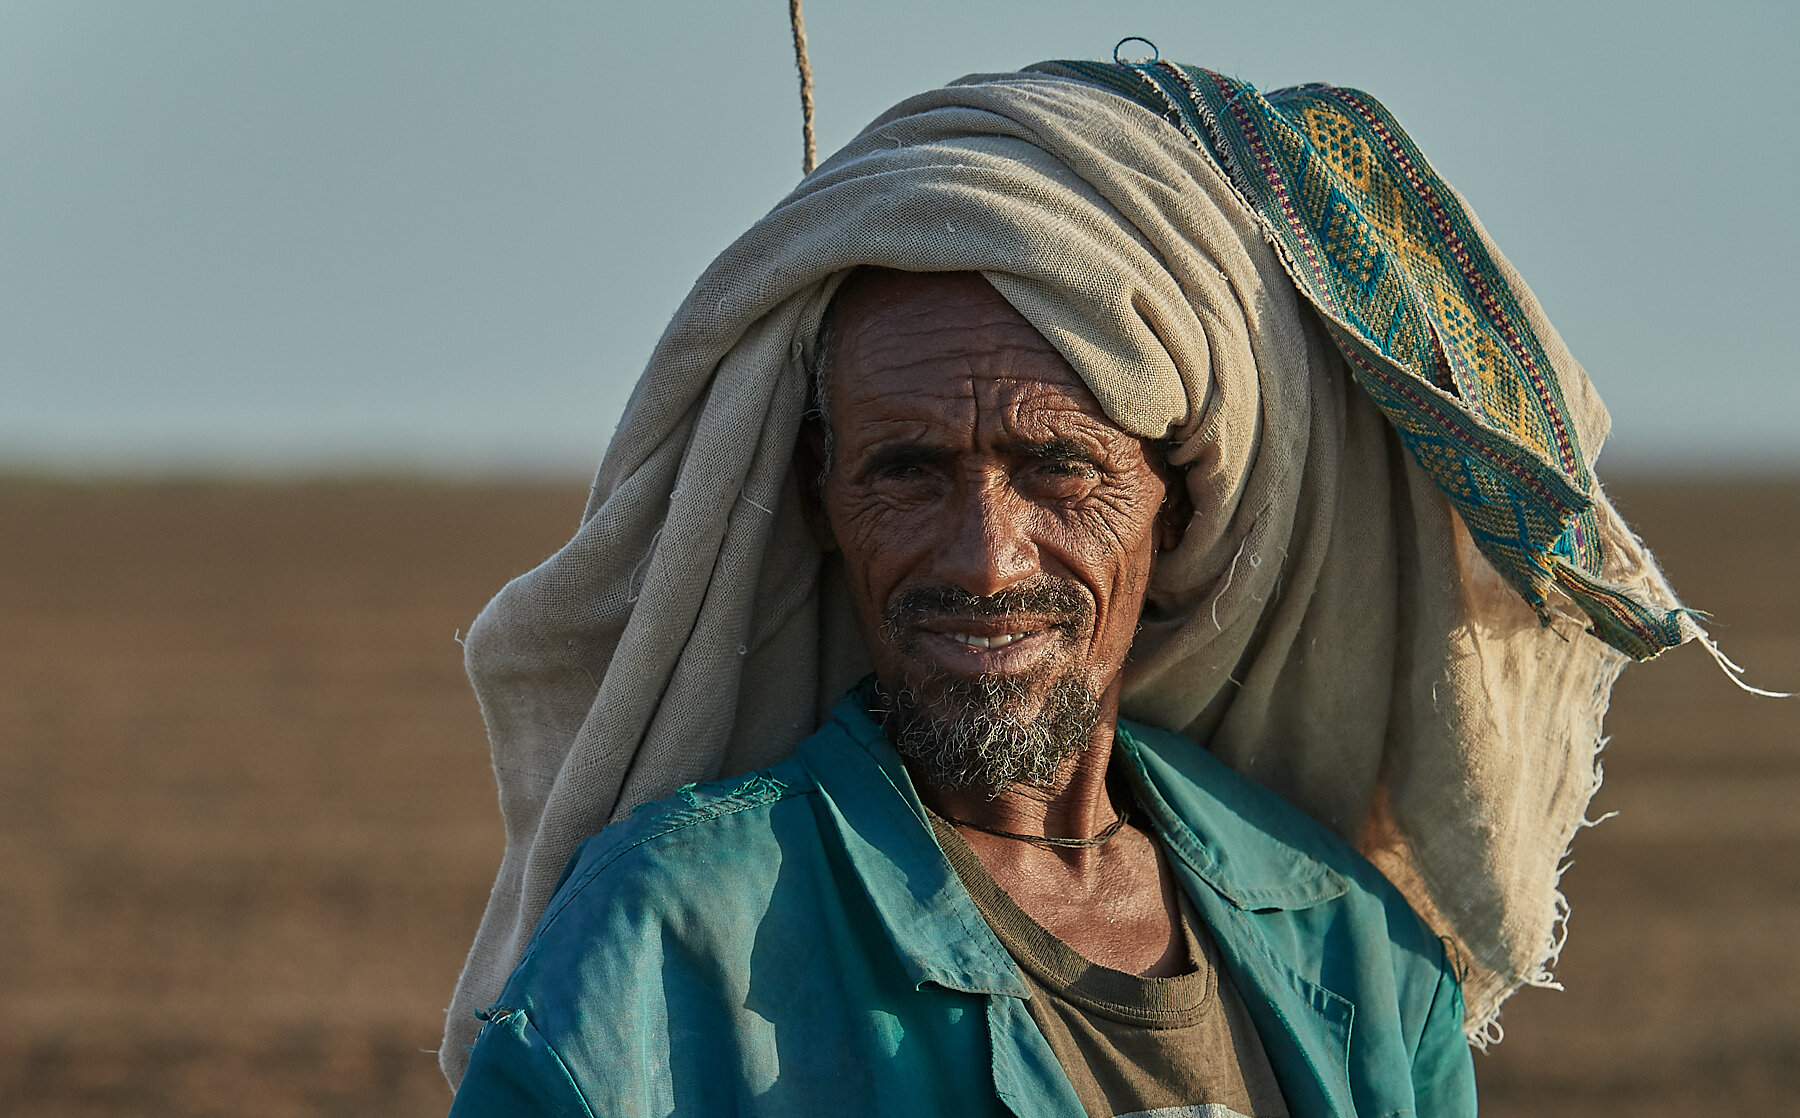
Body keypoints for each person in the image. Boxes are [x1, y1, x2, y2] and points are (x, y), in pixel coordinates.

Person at [441, 54, 1698, 1117]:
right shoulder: (673, 936)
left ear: (1180, 502)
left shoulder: (1350, 947)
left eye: (1057, 469)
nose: (987, 558)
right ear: (825, 508)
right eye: (908, 471)